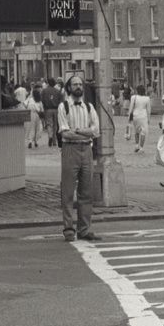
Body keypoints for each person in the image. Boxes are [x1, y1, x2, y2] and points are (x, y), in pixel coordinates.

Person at [57, 75, 100, 241]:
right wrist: (84, 132)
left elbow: (96, 131)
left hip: (86, 151)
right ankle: (68, 229)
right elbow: (64, 133)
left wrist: (77, 131)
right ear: (69, 87)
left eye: (80, 84)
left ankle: (84, 229)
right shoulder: (64, 107)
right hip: (70, 150)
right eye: (74, 84)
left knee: (86, 191)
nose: (78, 87)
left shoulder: (89, 107)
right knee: (68, 191)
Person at [128, 84, 151, 152]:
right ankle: (141, 147)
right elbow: (148, 110)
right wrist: (149, 119)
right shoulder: (147, 98)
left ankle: (136, 145)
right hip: (143, 116)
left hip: (135, 115)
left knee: (136, 131)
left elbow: (131, 108)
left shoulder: (133, 97)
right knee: (143, 132)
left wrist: (129, 117)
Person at [40, 76, 62, 146]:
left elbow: (42, 100)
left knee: (49, 124)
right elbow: (61, 101)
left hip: (48, 109)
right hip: (56, 109)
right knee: (55, 125)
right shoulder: (57, 91)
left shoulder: (44, 91)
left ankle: (50, 136)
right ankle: (54, 141)